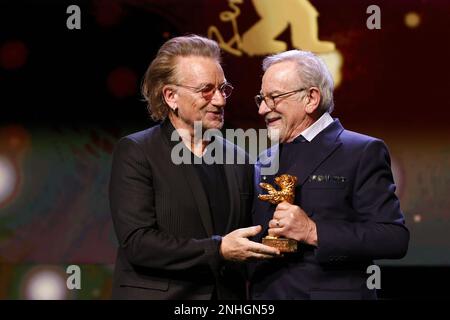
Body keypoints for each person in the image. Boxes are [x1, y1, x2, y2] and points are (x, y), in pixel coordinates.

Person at [109, 35, 279, 300]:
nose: (220, 101)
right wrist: (218, 250)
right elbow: (138, 243)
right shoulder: (137, 152)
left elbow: (251, 235)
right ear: (171, 96)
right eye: (206, 90)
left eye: (223, 89)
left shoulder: (240, 158)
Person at [250, 50, 409, 299]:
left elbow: (394, 238)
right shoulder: (264, 159)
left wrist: (313, 231)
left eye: (274, 98)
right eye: (261, 98)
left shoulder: (362, 151)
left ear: (311, 98)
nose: (262, 109)